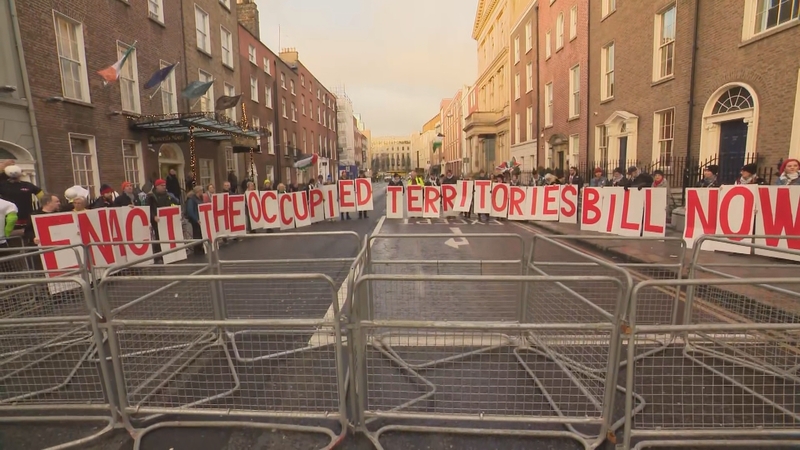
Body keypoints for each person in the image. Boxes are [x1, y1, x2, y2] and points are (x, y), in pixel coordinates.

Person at [0, 163, 43, 232]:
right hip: (14, 220)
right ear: (20, 173)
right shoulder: (28, 185)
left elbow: (43, 197)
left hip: (14, 220)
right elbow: (43, 197)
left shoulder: (2, 185)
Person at [185, 185, 206, 254]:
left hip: (199, 218)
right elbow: (190, 210)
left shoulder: (198, 198)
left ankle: (200, 247)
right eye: (201, 191)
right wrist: (196, 219)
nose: (202, 192)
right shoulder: (191, 199)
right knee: (197, 234)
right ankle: (197, 248)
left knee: (200, 233)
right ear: (198, 191)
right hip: (195, 220)